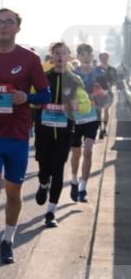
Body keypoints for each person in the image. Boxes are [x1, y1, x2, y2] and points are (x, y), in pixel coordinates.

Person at [0, 8, 50, 264]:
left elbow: (45, 95)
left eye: (8, 22)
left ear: (17, 28)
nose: (3, 26)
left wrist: (28, 97)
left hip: (17, 135)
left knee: (14, 194)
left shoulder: (29, 59)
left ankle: (8, 241)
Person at [33, 42, 84, 227]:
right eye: (57, 53)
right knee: (44, 167)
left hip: (64, 132)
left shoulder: (75, 80)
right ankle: (43, 183)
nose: (60, 56)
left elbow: (81, 106)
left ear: (69, 56)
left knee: (58, 169)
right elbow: (34, 102)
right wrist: (38, 103)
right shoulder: (42, 78)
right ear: (51, 56)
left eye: (64, 53)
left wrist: (74, 106)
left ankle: (51, 212)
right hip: (44, 131)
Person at [69, 43, 109, 203]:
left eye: (89, 54)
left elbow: (106, 95)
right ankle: (73, 180)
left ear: (93, 56)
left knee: (88, 151)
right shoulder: (72, 74)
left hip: (93, 116)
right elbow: (66, 94)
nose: (86, 57)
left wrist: (99, 95)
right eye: (83, 54)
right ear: (78, 57)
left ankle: (83, 188)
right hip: (76, 118)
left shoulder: (100, 73)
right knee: (76, 153)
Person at [97, 51, 117, 138]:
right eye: (102, 58)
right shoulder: (96, 69)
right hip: (97, 94)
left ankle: (104, 129)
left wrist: (112, 83)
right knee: (98, 112)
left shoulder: (113, 69)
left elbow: (115, 81)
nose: (104, 59)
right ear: (100, 59)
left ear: (108, 58)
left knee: (106, 111)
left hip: (109, 93)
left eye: (106, 57)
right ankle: (100, 129)